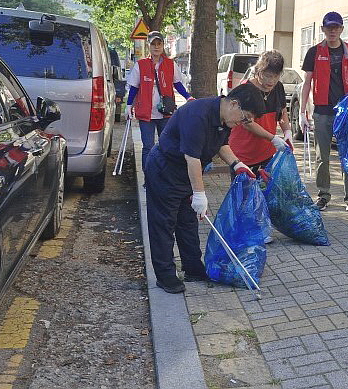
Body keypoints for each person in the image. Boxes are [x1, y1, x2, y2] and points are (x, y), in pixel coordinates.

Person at [144, 83, 265, 294]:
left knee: (188, 222)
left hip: (185, 174)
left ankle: (192, 268)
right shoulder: (198, 116)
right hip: (165, 169)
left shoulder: (224, 119)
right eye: (244, 118)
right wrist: (200, 195)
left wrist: (237, 164)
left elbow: (221, 144)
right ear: (234, 104)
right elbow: (192, 160)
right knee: (164, 224)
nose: (242, 123)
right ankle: (165, 276)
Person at [300, 11, 348, 213]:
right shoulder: (314, 52)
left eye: (336, 27)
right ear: (323, 29)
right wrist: (303, 111)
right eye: (329, 27)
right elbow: (307, 82)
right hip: (322, 111)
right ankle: (323, 195)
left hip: (347, 112)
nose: (333, 31)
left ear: (342, 29)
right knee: (322, 156)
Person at [125, 31, 193, 167]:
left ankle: (163, 177)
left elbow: (177, 83)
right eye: (153, 44)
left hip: (165, 112)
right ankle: (148, 178)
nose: (156, 47)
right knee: (148, 147)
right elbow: (134, 87)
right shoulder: (141, 65)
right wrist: (128, 106)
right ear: (148, 46)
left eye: (159, 44)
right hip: (146, 114)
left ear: (163, 46)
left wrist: (188, 97)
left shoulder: (170, 64)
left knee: (166, 146)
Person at [228, 50, 293, 174]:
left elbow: (282, 110)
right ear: (258, 71)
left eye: (276, 76)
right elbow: (248, 124)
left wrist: (287, 131)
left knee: (264, 192)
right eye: (268, 75)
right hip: (243, 155)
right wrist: (273, 139)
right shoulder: (245, 91)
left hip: (266, 154)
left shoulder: (278, 87)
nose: (272, 81)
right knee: (245, 192)